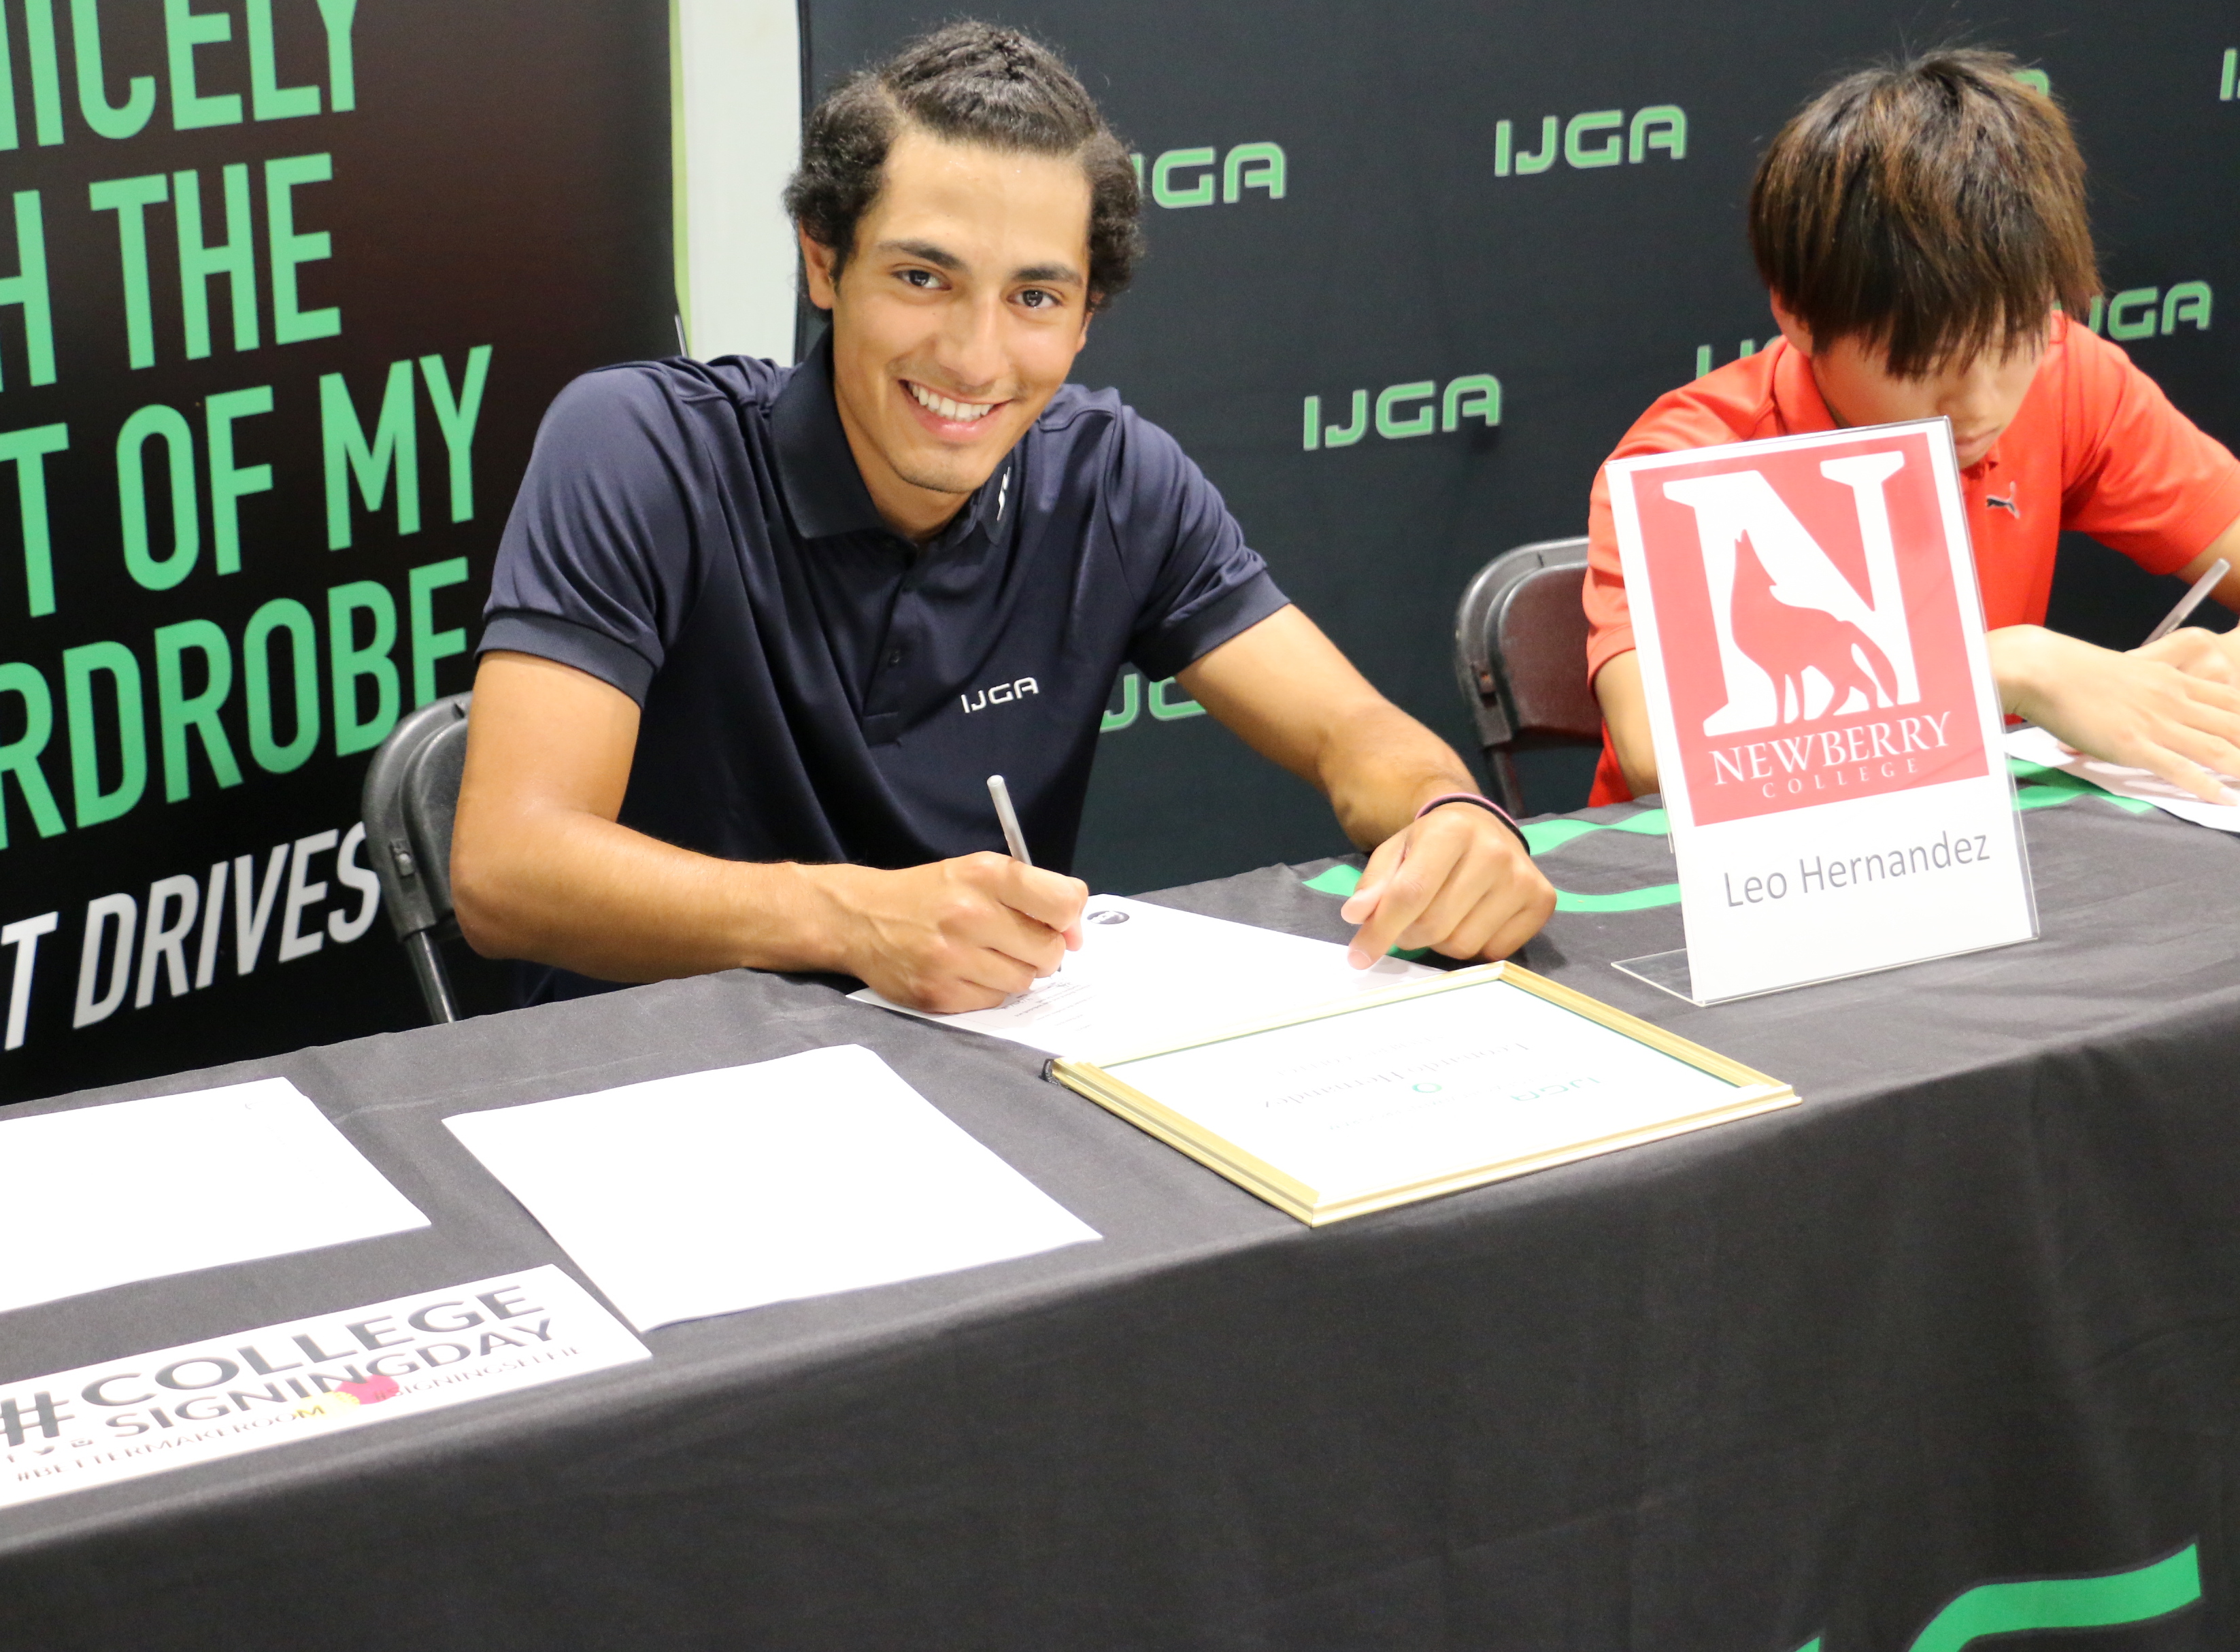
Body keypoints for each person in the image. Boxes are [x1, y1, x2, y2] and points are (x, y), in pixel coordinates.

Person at [451, 22, 1553, 1012]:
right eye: (923, 278)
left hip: (977, 1079)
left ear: (1084, 318)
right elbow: (507, 871)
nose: (974, 357)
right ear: (824, 263)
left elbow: (1350, 733)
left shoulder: (1114, 478)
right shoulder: (640, 446)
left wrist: (1448, 816)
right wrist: (850, 920)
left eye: (1033, 297)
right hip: (644, 1083)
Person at [1586, 48, 2240, 807]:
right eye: (1927, 363)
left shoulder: (2067, 374)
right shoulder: (1687, 461)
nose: (1981, 403)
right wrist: (2002, 666)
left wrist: (2220, 670)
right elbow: (1657, 756)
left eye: (2015, 340)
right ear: (1798, 315)